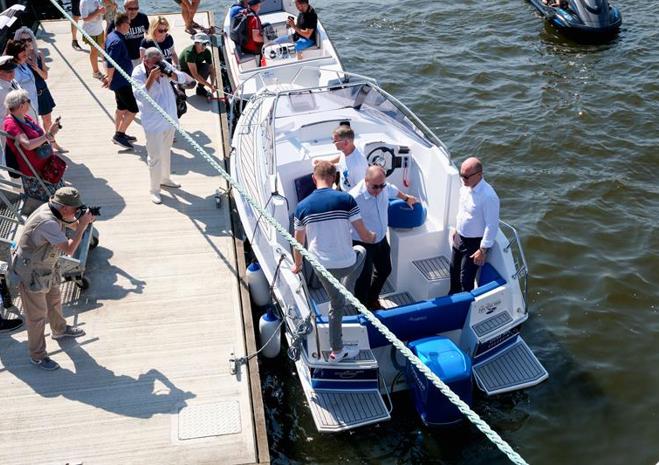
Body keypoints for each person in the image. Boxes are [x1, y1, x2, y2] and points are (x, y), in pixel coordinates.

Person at [292, 161, 376, 362]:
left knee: (335, 304)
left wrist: (298, 265)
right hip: (347, 264)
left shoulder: (302, 207)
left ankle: (336, 348)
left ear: (314, 178)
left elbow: (298, 243)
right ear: (334, 178)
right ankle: (337, 349)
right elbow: (364, 235)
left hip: (322, 268)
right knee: (362, 250)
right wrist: (372, 236)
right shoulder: (346, 199)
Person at [10, 187, 95, 371]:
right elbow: (69, 249)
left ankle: (59, 330)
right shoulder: (47, 221)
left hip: (47, 267)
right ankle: (38, 356)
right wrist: (82, 225)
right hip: (32, 272)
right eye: (75, 209)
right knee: (37, 316)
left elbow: (70, 223)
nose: (77, 212)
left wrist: (83, 220)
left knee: (54, 299)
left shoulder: (54, 209)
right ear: (64, 207)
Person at [350, 165, 417, 308]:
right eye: (375, 187)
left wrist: (406, 198)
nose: (379, 190)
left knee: (385, 269)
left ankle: (372, 299)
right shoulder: (354, 197)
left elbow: (393, 190)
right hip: (362, 243)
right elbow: (344, 220)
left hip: (381, 239)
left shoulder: (384, 187)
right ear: (366, 181)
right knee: (363, 279)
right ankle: (362, 309)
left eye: (382, 185)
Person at [132, 47, 189, 204]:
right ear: (145, 60)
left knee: (166, 151)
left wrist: (172, 74)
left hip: (169, 118)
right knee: (155, 157)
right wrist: (151, 77)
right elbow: (139, 95)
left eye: (159, 61)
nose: (158, 65)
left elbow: (182, 78)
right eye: (154, 63)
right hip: (153, 123)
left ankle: (165, 178)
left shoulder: (164, 64)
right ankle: (154, 189)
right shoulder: (137, 73)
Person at [449, 157, 500, 294]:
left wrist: (482, 250)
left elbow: (492, 225)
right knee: (453, 270)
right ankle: (452, 297)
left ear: (479, 175)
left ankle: (465, 303)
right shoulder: (465, 186)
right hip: (459, 237)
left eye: (466, 176)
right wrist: (457, 228)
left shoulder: (489, 196)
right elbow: (462, 209)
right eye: (461, 175)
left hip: (474, 243)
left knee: (465, 279)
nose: (462, 179)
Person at [3, 89, 64, 201]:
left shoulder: (26, 118)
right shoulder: (11, 123)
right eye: (28, 101)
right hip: (35, 172)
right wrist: (48, 135)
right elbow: (27, 145)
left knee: (61, 198)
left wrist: (51, 133)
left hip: (47, 166)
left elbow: (41, 138)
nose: (30, 103)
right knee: (48, 202)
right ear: (21, 105)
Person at [13, 28, 62, 153]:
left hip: (42, 91)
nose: (26, 42)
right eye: (23, 40)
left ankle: (52, 143)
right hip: (28, 95)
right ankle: (40, 145)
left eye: (29, 39)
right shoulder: (18, 59)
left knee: (47, 120)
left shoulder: (38, 54)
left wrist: (36, 68)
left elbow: (45, 76)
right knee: (33, 122)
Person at [102, 12, 138, 149]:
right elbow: (111, 62)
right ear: (123, 24)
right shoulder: (117, 41)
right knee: (133, 109)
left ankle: (119, 133)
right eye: (128, 23)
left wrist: (109, 77)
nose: (130, 25)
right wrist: (109, 78)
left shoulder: (111, 35)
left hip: (120, 80)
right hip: (121, 82)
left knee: (121, 108)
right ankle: (119, 135)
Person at [313, 125, 368, 192]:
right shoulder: (348, 149)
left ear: (345, 142)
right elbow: (342, 156)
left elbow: (361, 189)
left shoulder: (358, 166)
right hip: (342, 185)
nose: (333, 143)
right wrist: (326, 162)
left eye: (335, 141)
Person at [107, 0, 149, 68]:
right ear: (125, 8)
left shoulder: (143, 17)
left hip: (140, 56)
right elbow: (108, 35)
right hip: (125, 58)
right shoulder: (119, 19)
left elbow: (149, 33)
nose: (133, 11)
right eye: (130, 9)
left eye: (136, 8)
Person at [4, 39, 38, 121]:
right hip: (23, 111)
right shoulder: (13, 72)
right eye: (23, 55)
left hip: (33, 105)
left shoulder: (24, 65)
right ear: (15, 55)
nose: (26, 56)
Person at [178, 33, 217, 98]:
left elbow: (211, 69)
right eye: (203, 44)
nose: (204, 46)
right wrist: (210, 86)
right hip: (183, 71)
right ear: (196, 43)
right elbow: (195, 75)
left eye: (206, 44)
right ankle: (180, 86)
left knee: (207, 67)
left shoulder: (207, 52)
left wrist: (212, 84)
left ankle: (200, 89)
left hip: (195, 67)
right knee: (192, 84)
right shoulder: (189, 53)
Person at [79, 0, 106, 80]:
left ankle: (106, 67)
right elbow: (85, 18)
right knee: (94, 51)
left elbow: (98, 10)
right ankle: (96, 72)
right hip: (91, 31)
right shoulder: (84, 2)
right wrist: (98, 11)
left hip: (99, 29)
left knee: (103, 48)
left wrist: (102, 11)